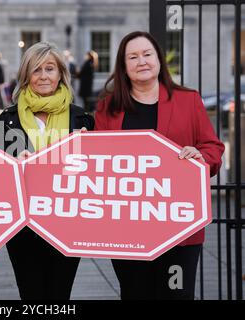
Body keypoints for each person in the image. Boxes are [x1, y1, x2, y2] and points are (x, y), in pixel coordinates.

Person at [94, 31, 225, 300]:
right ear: (123, 66)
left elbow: (213, 148)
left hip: (180, 230)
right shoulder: (108, 109)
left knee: (176, 295)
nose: (141, 61)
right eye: (133, 56)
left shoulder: (188, 100)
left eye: (147, 54)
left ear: (158, 60)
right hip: (125, 230)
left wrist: (201, 157)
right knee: (134, 295)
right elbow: (97, 161)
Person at [0, 42, 94, 300]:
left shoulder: (82, 120)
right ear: (26, 75)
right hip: (23, 229)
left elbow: (93, 176)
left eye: (50, 68)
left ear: (61, 73)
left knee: (60, 295)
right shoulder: (7, 120)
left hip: (67, 223)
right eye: (36, 70)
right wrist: (15, 165)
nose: (43, 76)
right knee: (31, 294)